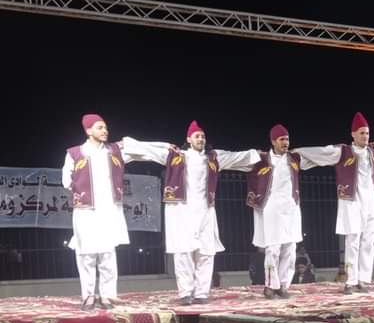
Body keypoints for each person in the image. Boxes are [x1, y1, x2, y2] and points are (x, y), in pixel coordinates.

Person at [121, 121, 260, 304]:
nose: (201, 139)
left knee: (206, 253)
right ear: (189, 139)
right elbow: (150, 151)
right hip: (181, 211)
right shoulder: (176, 155)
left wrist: (257, 155)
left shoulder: (213, 157)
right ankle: (185, 293)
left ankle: (201, 293)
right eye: (197, 136)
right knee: (183, 252)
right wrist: (129, 144)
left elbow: (235, 157)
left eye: (203, 136)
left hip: (205, 211)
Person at [294, 112, 374, 294]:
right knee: (352, 240)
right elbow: (321, 152)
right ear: (353, 134)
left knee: (369, 241)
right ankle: (351, 281)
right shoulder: (343, 151)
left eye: (367, 133)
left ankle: (364, 280)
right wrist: (296, 153)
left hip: (373, 200)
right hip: (352, 200)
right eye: (362, 133)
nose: (365, 136)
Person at [62, 114, 138, 311]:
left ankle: (107, 295)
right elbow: (66, 180)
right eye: (100, 127)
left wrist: (166, 149)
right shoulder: (75, 153)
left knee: (107, 253)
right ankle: (88, 295)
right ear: (89, 131)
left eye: (105, 127)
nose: (105, 131)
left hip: (109, 209)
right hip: (86, 210)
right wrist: (84, 190)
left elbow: (140, 151)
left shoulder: (114, 151)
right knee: (87, 254)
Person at [247, 124, 315, 299]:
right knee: (273, 248)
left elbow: (318, 154)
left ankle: (283, 285)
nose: (286, 142)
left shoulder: (294, 158)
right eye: (282, 139)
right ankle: (270, 285)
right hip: (272, 207)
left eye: (287, 139)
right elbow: (238, 160)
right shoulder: (261, 159)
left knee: (291, 248)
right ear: (273, 141)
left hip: (291, 207)